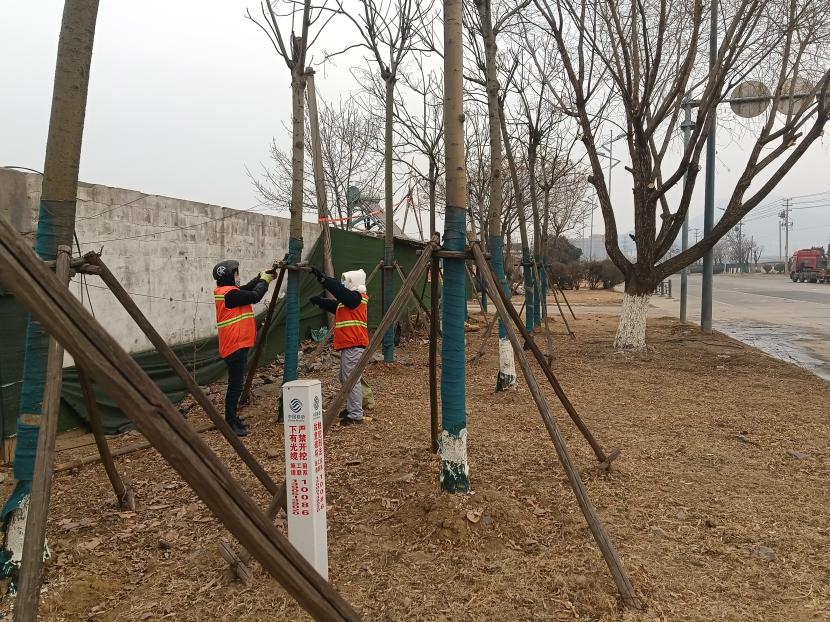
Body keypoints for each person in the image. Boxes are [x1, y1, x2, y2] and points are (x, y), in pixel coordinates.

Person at [212, 260, 276, 436]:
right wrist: (264, 281)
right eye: (236, 273)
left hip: (236, 344)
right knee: (235, 386)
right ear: (228, 276)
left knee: (236, 384)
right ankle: (231, 422)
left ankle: (232, 418)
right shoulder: (230, 295)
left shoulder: (229, 292)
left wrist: (260, 277)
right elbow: (254, 296)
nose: (238, 276)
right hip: (234, 345)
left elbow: (247, 289)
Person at [309, 266, 368, 425]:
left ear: (354, 282)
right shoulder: (349, 301)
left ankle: (356, 414)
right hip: (350, 344)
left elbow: (340, 293)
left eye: (347, 281)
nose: (344, 284)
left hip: (354, 344)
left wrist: (324, 279)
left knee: (351, 379)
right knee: (344, 377)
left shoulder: (357, 298)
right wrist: (320, 301)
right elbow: (336, 306)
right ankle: (352, 408)